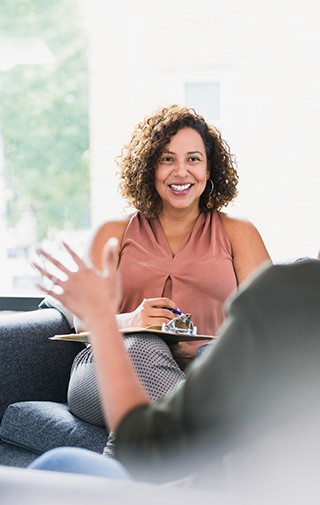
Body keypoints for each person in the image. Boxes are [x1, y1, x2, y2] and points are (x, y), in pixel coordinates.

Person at [31, 242, 320, 493]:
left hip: (208, 489)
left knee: (59, 464)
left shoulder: (291, 291)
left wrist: (101, 315)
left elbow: (147, 448)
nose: (180, 174)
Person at [64, 104, 271, 444]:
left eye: (193, 159)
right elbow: (82, 321)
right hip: (107, 368)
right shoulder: (113, 232)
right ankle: (208, 441)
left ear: (210, 169)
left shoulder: (239, 233)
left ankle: (129, 478)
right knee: (143, 346)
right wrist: (131, 321)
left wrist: (203, 349)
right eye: (166, 159)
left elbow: (268, 324)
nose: (181, 172)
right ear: (149, 167)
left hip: (206, 373)